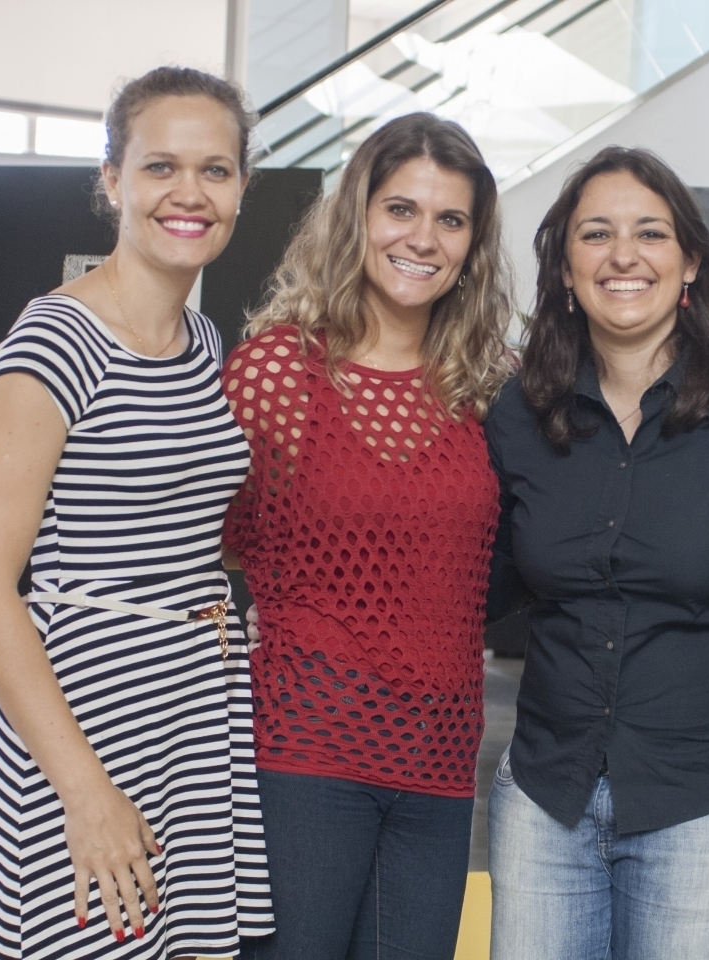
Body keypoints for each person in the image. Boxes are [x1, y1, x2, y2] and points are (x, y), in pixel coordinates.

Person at [0, 67, 272, 959]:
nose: (189, 193)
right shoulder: (56, 340)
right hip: (86, 725)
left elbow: (170, 530)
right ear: (112, 180)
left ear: (242, 187)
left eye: (215, 170)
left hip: (193, 714)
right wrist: (83, 791)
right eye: (161, 166)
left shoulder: (203, 343)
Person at [483, 146, 709, 960]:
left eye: (650, 233)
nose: (623, 255)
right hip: (548, 790)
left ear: (690, 260)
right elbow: (477, 583)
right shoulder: (519, 413)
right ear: (565, 268)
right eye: (596, 234)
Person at [223, 112, 514, 960]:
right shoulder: (277, 373)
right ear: (357, 216)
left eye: (450, 219)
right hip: (304, 752)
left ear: (472, 244)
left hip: (440, 760)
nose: (423, 239)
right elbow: (216, 535)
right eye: (400, 210)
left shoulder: (485, 388)